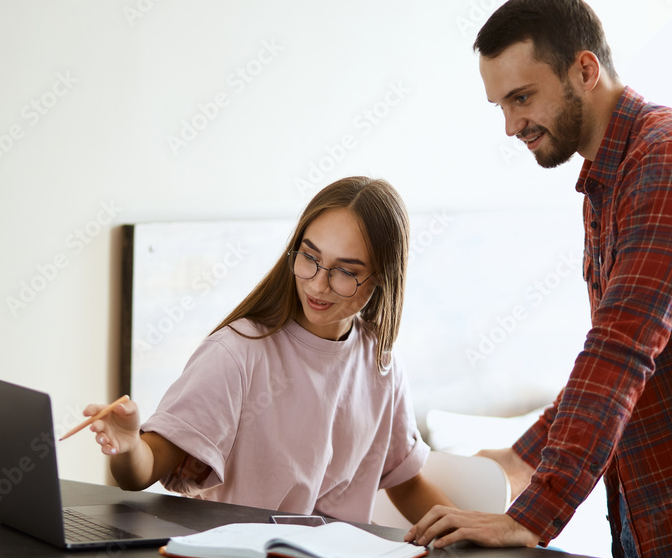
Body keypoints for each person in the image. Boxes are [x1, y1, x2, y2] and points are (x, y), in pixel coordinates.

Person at [407, 0, 672, 558]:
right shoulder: (608, 179)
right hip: (649, 520)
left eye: (522, 98)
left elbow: (621, 350)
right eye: (499, 106)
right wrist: (517, 458)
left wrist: (531, 515)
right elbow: (617, 358)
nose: (510, 126)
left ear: (585, 70)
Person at [82, 176, 452, 524]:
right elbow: (143, 471)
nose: (318, 284)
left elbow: (404, 481)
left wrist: (476, 534)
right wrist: (129, 447)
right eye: (309, 257)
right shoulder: (237, 353)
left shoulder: (380, 363)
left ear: (384, 279)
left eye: (345, 271)